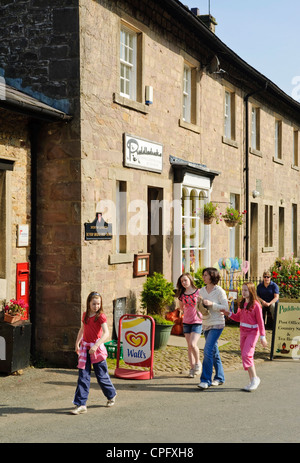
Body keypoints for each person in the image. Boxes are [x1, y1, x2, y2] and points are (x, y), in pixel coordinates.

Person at [71, 291, 117, 414]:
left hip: (97, 350)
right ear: (89, 303)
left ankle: (111, 394)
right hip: (85, 348)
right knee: (83, 376)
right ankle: (81, 404)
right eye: (94, 304)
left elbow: (106, 333)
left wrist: (96, 346)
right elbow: (82, 329)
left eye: (98, 304)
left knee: (101, 376)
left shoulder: (100, 316)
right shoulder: (85, 315)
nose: (96, 306)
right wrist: (77, 343)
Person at [223, 282, 268, 391]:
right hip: (243, 331)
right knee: (245, 356)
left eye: (246, 290)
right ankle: (252, 379)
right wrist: (228, 314)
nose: (243, 292)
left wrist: (263, 336)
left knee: (247, 354)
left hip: (253, 332)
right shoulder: (242, 303)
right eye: (242, 290)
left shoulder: (256, 305)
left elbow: (260, 321)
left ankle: (255, 379)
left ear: (251, 291)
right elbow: (238, 318)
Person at [197, 267, 228, 389]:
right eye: (203, 275)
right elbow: (199, 306)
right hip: (206, 323)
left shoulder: (219, 291)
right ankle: (220, 377)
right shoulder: (202, 291)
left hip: (217, 323)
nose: (203, 277)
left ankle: (205, 380)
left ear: (212, 276)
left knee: (207, 350)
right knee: (214, 352)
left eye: (206, 275)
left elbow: (225, 307)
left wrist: (212, 304)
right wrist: (199, 307)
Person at [176, 273, 202, 378]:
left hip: (197, 321)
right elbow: (182, 308)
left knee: (193, 344)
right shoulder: (182, 295)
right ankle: (191, 368)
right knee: (189, 346)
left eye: (185, 280)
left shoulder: (199, 292)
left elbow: (203, 304)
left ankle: (197, 363)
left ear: (190, 280)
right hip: (186, 321)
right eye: (182, 281)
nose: (184, 283)